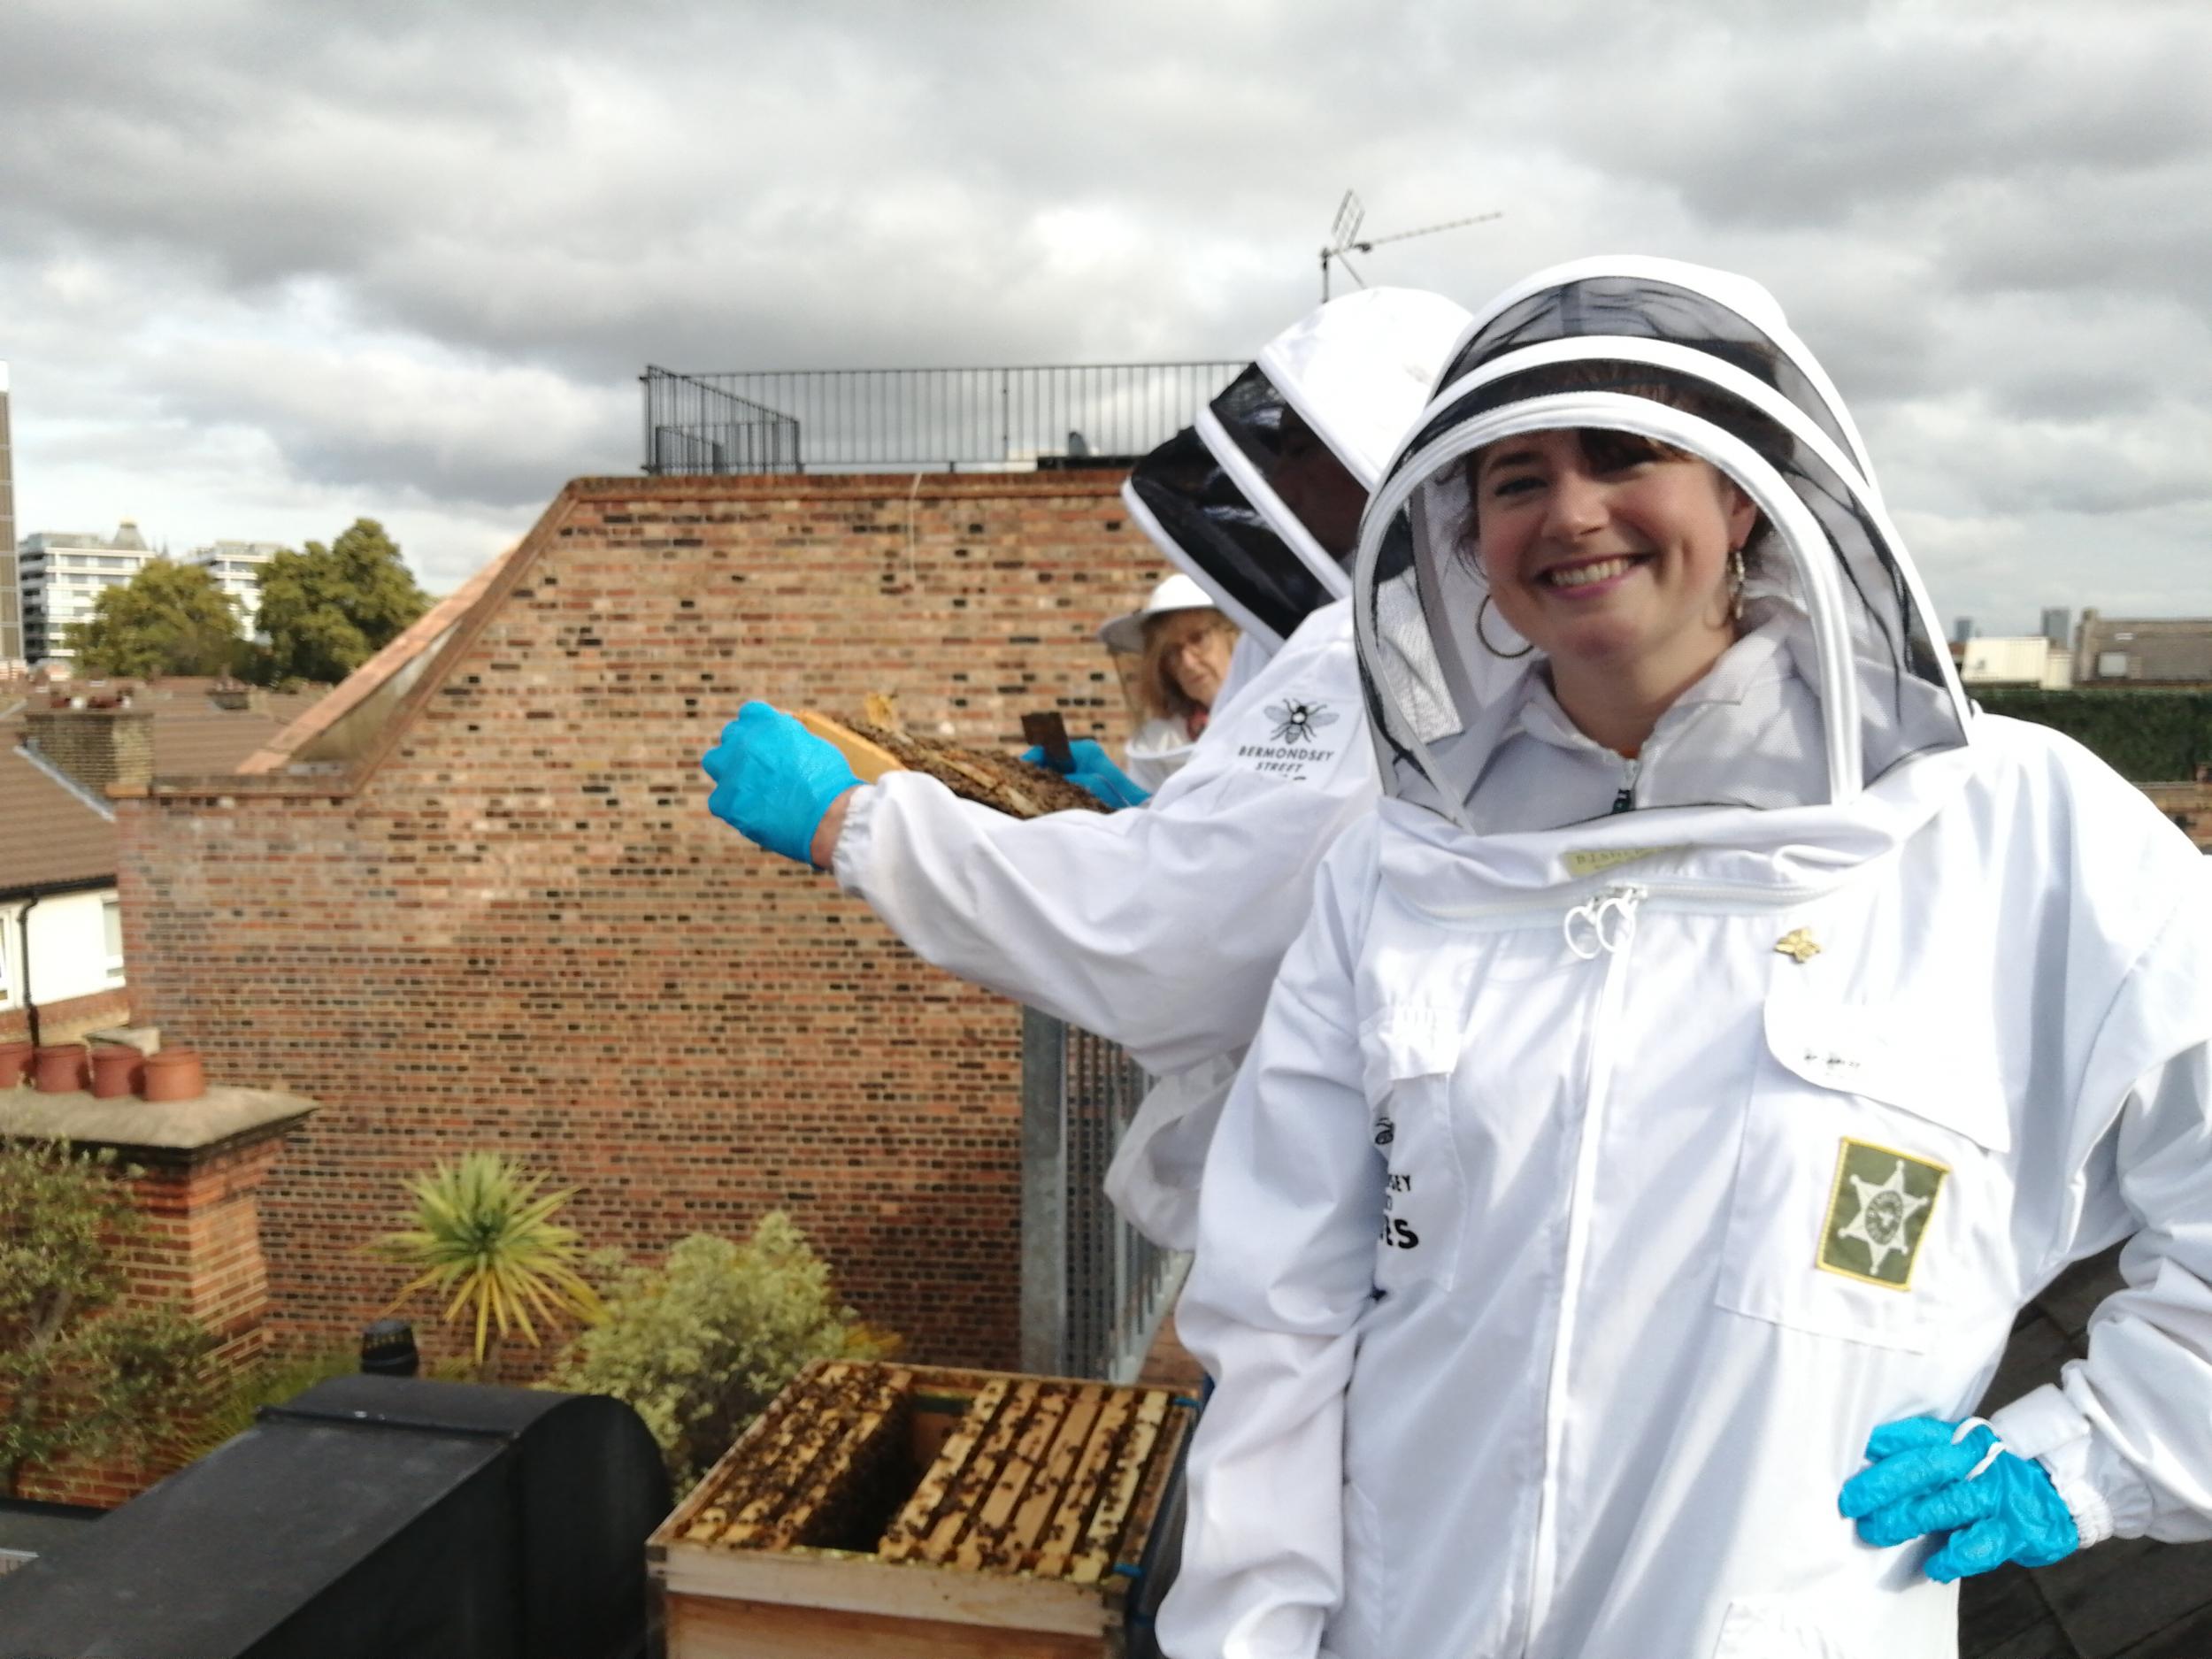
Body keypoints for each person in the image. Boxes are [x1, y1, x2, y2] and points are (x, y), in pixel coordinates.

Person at [1160, 257, 2212, 1659]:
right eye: (1516, 476)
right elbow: (1283, 1311)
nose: (1573, 510)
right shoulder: (1401, 867)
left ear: (1744, 490)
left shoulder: (2013, 825)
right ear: (1468, 538)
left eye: (1624, 451)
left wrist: (2091, 1453)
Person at [701, 287, 1470, 1249]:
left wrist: (853, 820)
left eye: (1297, 440)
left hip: (1349, 1221)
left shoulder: (1378, 643)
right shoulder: (1421, 630)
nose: (1275, 467)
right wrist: (1144, 814)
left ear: (1371, 449)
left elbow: (1171, 941)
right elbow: (1280, 862)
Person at [1102, 573, 1240, 791]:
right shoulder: (1159, 742)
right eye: (1172, 652)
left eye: (1197, 638)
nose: (1187, 662)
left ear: (1233, 634)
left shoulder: (1279, 713)